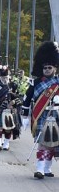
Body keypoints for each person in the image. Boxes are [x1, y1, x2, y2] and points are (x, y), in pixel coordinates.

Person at [24, 42, 59, 178]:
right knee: (43, 142)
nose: (46, 70)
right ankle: (40, 169)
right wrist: (24, 116)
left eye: (49, 67)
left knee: (53, 143)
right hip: (42, 115)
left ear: (55, 68)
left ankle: (47, 168)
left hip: (56, 114)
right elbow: (27, 98)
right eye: (44, 67)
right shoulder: (36, 82)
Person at [0, 67, 21, 152]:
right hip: (0, 109)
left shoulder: (13, 85)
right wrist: (2, 103)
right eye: (3, 78)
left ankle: (6, 144)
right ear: (0, 78)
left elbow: (19, 98)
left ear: (9, 77)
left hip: (11, 110)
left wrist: (13, 102)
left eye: (6, 77)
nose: (5, 79)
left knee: (8, 129)